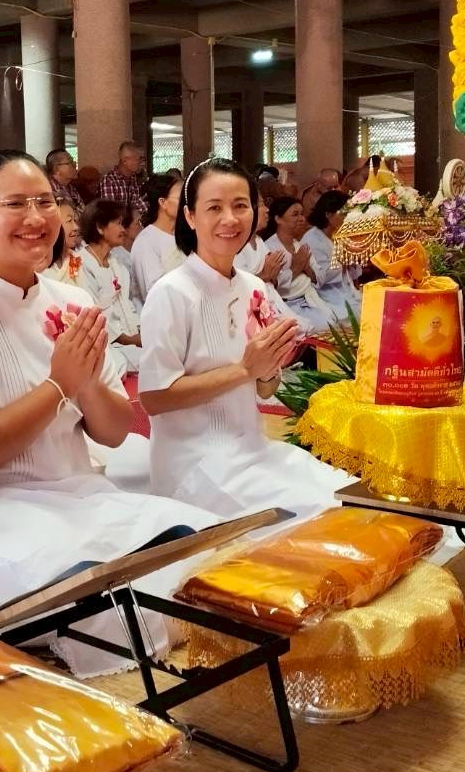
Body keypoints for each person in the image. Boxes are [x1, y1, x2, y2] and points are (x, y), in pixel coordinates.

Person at [0, 150, 215, 673]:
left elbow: (111, 433)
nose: (36, 217)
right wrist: (58, 385)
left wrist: (84, 383)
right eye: (14, 203)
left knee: (205, 543)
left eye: (44, 201)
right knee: (108, 602)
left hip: (72, 492)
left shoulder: (70, 301)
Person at [140, 158, 355, 517]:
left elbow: (266, 389)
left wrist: (270, 364)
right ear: (191, 217)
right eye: (214, 208)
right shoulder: (171, 292)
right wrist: (244, 369)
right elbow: (154, 398)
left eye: (240, 206)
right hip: (196, 464)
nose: (230, 219)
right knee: (318, 515)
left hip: (252, 448)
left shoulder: (253, 286)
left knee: (346, 494)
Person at [79, 199, 143, 372]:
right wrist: (131, 340)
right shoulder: (82, 264)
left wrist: (141, 331)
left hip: (130, 342)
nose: (124, 230)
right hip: (107, 346)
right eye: (118, 224)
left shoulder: (118, 264)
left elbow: (127, 305)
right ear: (100, 227)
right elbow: (93, 313)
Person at [263, 197, 337, 334]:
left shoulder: (300, 245)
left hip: (311, 298)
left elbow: (319, 278)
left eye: (302, 214)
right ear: (278, 219)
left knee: (333, 321)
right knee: (322, 327)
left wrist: (307, 268)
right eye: (295, 214)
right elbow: (272, 285)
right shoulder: (269, 248)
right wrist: (296, 267)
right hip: (288, 304)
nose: (302, 219)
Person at [302, 190, 361, 320]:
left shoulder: (339, 234)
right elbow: (321, 276)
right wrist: (343, 258)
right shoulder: (312, 239)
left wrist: (353, 258)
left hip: (348, 290)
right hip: (328, 295)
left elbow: (353, 271)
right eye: (343, 213)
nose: (347, 218)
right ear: (328, 214)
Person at [129, 172, 184, 301]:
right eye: (181, 198)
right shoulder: (147, 241)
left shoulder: (184, 234)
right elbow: (154, 291)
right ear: (162, 202)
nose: (187, 203)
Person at [99, 140, 148, 216]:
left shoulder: (133, 178)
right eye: (139, 159)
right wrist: (139, 206)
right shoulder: (109, 180)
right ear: (125, 161)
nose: (142, 163)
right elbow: (111, 214)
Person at [44, 199, 84, 286]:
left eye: (75, 221)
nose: (76, 227)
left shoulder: (74, 258)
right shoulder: (38, 268)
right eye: (69, 221)